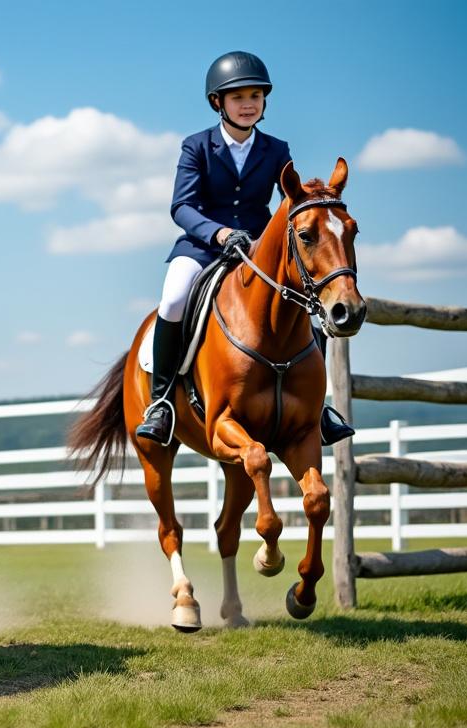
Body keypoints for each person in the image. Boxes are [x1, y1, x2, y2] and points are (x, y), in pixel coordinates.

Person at [136, 50, 354, 447]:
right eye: (238, 97)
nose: (248, 103)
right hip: (202, 246)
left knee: (306, 303)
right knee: (173, 300)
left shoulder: (275, 149)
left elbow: (292, 198)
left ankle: (317, 408)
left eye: (255, 96)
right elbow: (181, 206)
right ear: (218, 102)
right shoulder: (196, 146)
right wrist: (218, 234)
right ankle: (163, 401)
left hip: (256, 250)